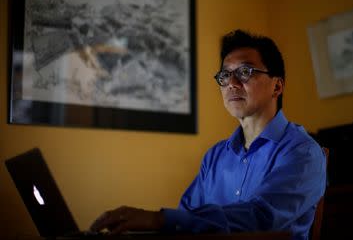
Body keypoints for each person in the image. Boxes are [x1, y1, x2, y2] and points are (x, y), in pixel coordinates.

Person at [90, 29, 327, 240]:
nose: (231, 83)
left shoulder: (302, 152)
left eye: (245, 72)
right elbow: (185, 219)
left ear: (277, 86)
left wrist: (159, 219)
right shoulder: (215, 156)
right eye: (224, 76)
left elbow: (260, 219)